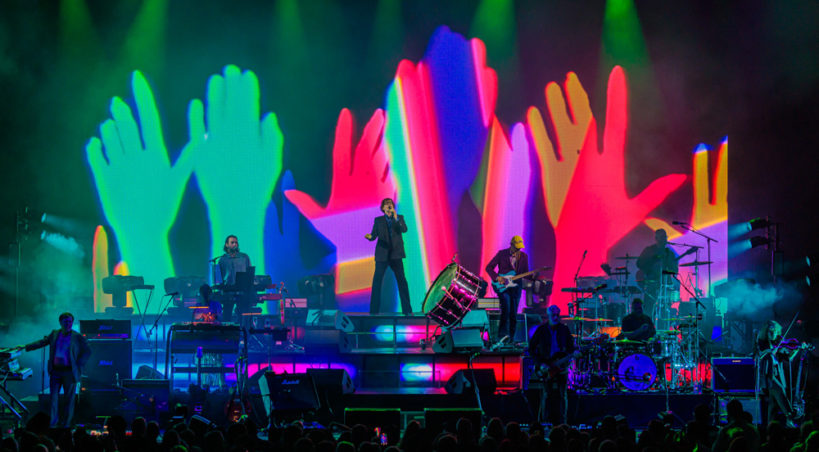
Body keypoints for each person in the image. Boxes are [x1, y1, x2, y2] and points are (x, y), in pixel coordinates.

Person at [21, 312, 91, 427]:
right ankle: (53, 424)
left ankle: (66, 425)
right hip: (55, 371)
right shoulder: (54, 334)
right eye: (66, 321)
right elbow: (42, 342)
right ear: (60, 322)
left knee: (69, 400)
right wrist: (25, 346)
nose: (68, 324)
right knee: (53, 399)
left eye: (70, 321)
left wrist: (79, 364)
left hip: (69, 372)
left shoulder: (77, 336)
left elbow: (87, 350)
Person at [529, 305, 576, 425]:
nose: (555, 317)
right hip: (546, 366)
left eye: (557, 315)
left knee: (562, 395)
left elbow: (571, 348)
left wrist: (574, 354)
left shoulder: (564, 329)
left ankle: (563, 423)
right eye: (553, 315)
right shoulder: (541, 330)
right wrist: (540, 363)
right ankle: (545, 423)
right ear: (548, 316)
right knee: (546, 395)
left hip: (561, 367)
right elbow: (531, 349)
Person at [366, 198, 412, 315]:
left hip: (396, 254)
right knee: (377, 282)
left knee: (402, 281)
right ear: (383, 208)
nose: (388, 206)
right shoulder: (378, 220)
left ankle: (407, 310)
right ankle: (374, 311)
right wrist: (370, 237)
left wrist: (396, 217)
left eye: (390, 204)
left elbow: (404, 229)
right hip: (382, 254)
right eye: (386, 204)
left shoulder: (399, 218)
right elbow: (373, 235)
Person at [485, 235, 529, 342]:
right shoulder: (502, 254)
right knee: (506, 310)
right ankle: (502, 337)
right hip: (503, 287)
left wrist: (536, 277)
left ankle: (511, 339)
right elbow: (489, 267)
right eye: (516, 248)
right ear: (511, 245)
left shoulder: (524, 256)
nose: (518, 250)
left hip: (516, 288)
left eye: (519, 248)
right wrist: (497, 277)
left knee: (513, 313)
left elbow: (526, 273)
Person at [756, 320, 797, 427]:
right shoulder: (761, 342)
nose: (773, 334)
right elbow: (762, 355)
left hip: (776, 374)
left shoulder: (777, 344)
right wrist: (773, 350)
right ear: (766, 332)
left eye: (775, 331)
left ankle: (770, 427)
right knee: (779, 390)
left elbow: (788, 358)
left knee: (773, 404)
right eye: (770, 331)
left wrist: (797, 349)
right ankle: (790, 416)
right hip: (767, 374)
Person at [636, 229, 679, 318]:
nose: (664, 239)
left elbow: (675, 270)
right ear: (656, 238)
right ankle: (648, 323)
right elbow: (639, 264)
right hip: (651, 283)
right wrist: (652, 261)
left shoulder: (669, 253)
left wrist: (670, 266)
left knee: (664, 309)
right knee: (648, 308)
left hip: (665, 285)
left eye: (665, 237)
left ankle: (663, 324)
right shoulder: (649, 250)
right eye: (662, 237)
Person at [217, 235, 252, 321]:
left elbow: (250, 272)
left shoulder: (244, 257)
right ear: (226, 245)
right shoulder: (222, 260)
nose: (235, 244)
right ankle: (227, 329)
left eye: (236, 242)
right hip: (228, 291)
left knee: (242, 315)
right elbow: (219, 278)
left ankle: (243, 328)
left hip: (242, 290)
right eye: (232, 242)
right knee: (227, 314)